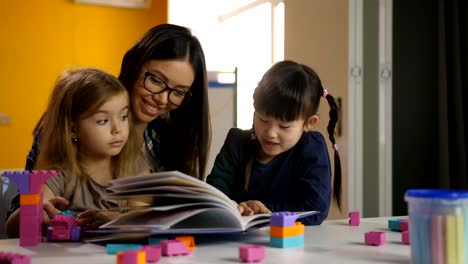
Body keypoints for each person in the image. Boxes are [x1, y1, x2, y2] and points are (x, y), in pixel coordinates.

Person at [6, 24, 211, 227]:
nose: (162, 99)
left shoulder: (165, 141)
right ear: (134, 65)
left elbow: (156, 218)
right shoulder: (73, 122)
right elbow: (26, 213)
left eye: (178, 92)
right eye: (156, 81)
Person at [6, 68, 140, 237]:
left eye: (123, 117)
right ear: (73, 129)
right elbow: (12, 232)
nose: (118, 129)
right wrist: (32, 212)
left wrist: (114, 220)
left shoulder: (133, 165)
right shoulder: (59, 172)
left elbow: (144, 222)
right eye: (103, 120)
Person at [206, 60, 342, 225]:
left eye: (284, 126)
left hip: (295, 244)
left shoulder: (311, 147)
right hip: (235, 243)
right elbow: (214, 196)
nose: (270, 133)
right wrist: (235, 207)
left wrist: (263, 211)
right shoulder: (237, 143)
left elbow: (315, 208)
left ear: (309, 123)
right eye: (263, 120)